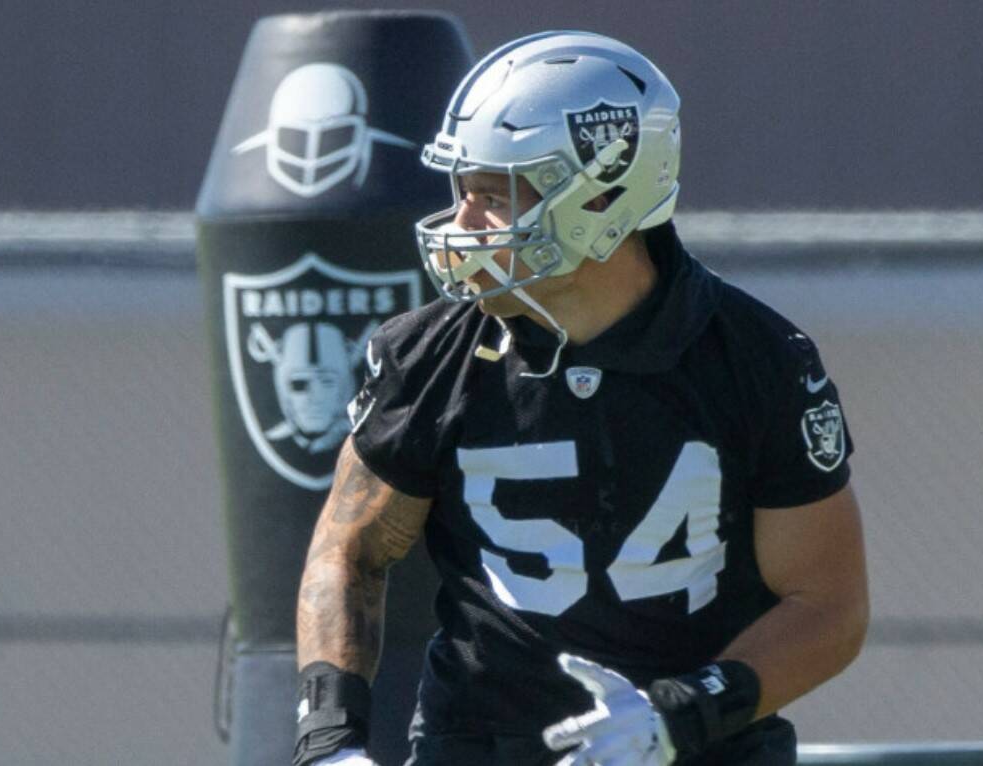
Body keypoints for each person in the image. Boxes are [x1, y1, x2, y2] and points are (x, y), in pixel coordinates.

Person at [293, 30, 869, 766]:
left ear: (603, 193)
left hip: (700, 749)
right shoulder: (429, 352)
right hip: (479, 744)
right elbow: (349, 551)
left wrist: (680, 715)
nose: (463, 226)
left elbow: (826, 608)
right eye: (462, 192)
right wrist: (329, 738)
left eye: (494, 197)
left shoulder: (756, 360)